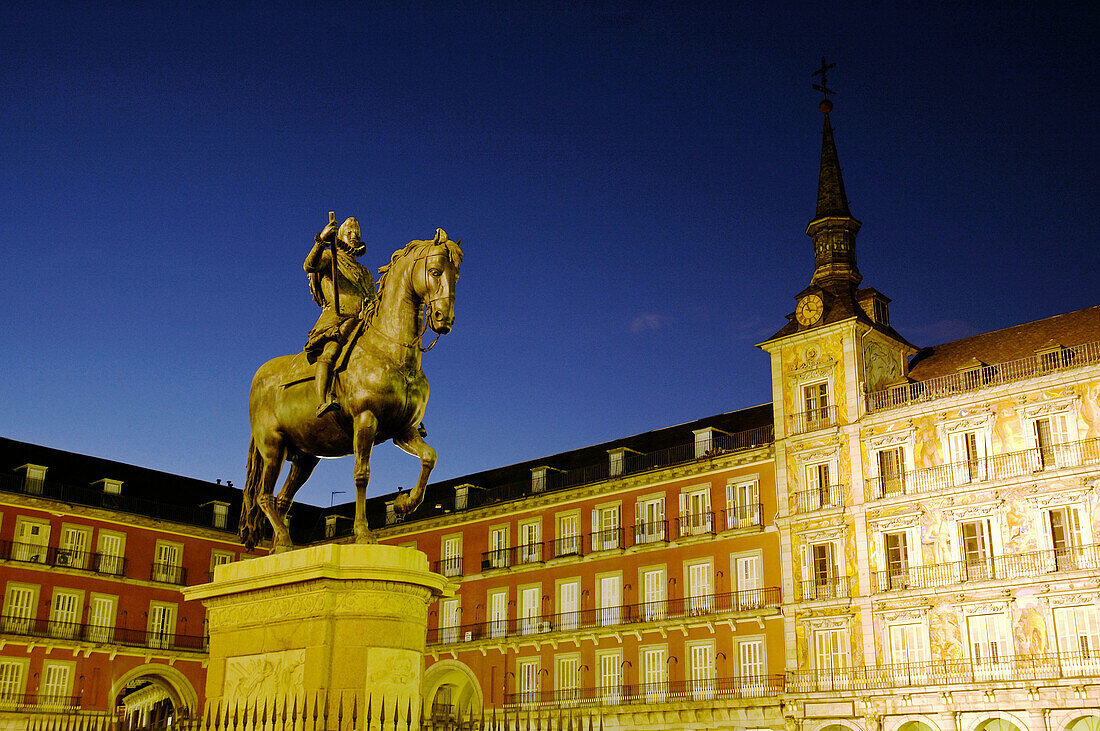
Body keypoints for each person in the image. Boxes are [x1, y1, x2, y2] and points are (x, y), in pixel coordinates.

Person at [303, 216, 376, 417]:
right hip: (336, 319)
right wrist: (321, 241)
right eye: (350, 233)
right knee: (330, 352)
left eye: (357, 235)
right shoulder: (330, 257)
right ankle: (322, 400)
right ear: (342, 235)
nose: (354, 237)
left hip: (362, 323)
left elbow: (372, 297)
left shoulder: (365, 272)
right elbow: (310, 265)